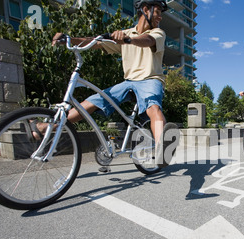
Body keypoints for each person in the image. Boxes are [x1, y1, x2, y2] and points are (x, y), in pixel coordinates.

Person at [31, 0, 178, 167]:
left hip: (150, 79)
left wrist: (128, 40)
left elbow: (148, 40)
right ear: (146, 9)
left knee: (153, 106)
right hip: (128, 82)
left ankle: (162, 148)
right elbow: (96, 42)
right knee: (91, 102)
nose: (160, 17)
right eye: (158, 11)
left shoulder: (157, 32)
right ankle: (47, 127)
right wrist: (69, 39)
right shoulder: (125, 33)